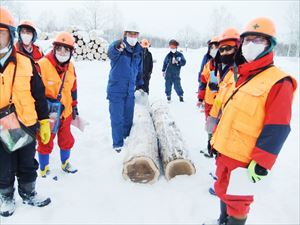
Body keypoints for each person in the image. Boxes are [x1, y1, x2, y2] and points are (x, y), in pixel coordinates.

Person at [209, 18, 297, 225]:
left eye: (258, 40)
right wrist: (214, 138)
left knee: (238, 202)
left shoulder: (278, 81)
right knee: (223, 191)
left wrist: (262, 161)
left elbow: (278, 127)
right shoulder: (238, 74)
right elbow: (227, 110)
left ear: (270, 45)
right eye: (247, 40)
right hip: (224, 150)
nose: (250, 45)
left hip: (245, 158)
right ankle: (222, 221)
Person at [0, 7, 51, 217]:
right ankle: (6, 195)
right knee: (3, 164)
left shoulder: (26, 62)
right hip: (2, 126)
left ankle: (29, 192)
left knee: (27, 161)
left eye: (1, 33)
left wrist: (45, 121)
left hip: (27, 123)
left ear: (10, 35)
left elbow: (39, 95)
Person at [36, 31, 79, 177]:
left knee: (66, 139)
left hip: (65, 112)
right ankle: (44, 168)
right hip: (49, 113)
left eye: (66, 49)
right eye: (59, 48)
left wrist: (74, 105)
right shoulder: (42, 65)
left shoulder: (71, 67)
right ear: (54, 48)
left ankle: (65, 163)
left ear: (71, 52)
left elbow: (73, 88)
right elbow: (34, 91)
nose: (62, 52)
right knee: (45, 140)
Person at [204, 29, 240, 158]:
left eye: (228, 48)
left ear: (237, 48)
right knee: (212, 130)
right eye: (222, 49)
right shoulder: (218, 65)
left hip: (229, 113)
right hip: (216, 106)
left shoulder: (238, 69)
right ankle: (211, 142)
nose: (224, 52)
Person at [107, 27, 143, 152]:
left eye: (135, 34)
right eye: (130, 34)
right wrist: (117, 47)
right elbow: (111, 53)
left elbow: (139, 70)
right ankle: (118, 144)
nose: (133, 37)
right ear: (125, 34)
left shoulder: (139, 51)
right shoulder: (119, 46)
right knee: (117, 118)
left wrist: (140, 86)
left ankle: (126, 138)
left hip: (130, 91)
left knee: (128, 117)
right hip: (116, 89)